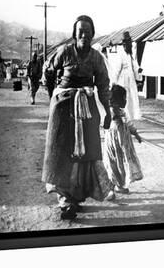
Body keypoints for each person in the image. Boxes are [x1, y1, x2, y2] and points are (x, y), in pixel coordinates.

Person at [42, 15, 112, 220]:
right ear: (74, 33)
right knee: (62, 152)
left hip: (87, 109)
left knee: (85, 153)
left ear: (92, 34)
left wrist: (107, 111)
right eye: (80, 31)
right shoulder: (64, 51)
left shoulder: (97, 58)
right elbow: (47, 71)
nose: (84, 34)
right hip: (63, 109)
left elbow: (103, 86)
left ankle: (76, 196)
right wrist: (54, 96)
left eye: (88, 31)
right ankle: (65, 201)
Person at [103, 84, 143, 199]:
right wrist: (111, 113)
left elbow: (129, 124)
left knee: (121, 164)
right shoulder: (110, 112)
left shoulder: (122, 112)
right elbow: (105, 125)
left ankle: (119, 185)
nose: (126, 100)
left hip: (122, 145)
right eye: (124, 98)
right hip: (112, 144)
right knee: (111, 164)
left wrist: (136, 134)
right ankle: (110, 189)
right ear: (117, 99)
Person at [112, 31, 142, 120]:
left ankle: (131, 118)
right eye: (128, 43)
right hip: (123, 80)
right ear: (124, 44)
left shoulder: (131, 54)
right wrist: (114, 82)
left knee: (133, 98)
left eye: (130, 43)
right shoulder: (121, 55)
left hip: (131, 79)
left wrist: (138, 71)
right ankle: (125, 118)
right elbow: (117, 69)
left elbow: (135, 66)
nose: (130, 45)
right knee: (126, 99)